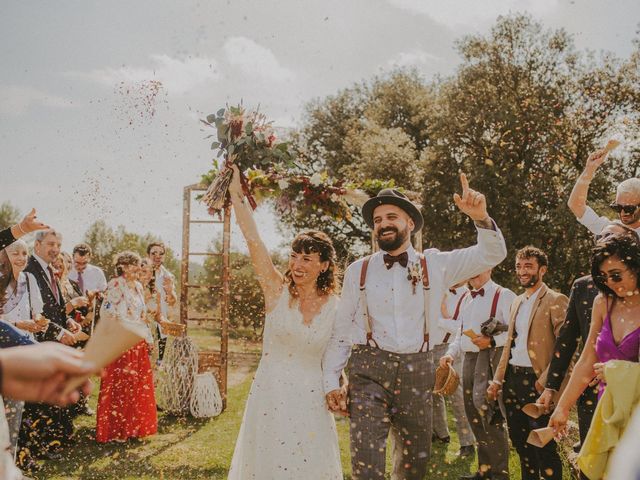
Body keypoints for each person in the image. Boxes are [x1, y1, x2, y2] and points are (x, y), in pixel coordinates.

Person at [323, 173, 508, 480]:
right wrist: (332, 380)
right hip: (369, 370)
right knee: (365, 465)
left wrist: (481, 219)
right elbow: (342, 330)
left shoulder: (436, 265)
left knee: (413, 467)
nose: (383, 223)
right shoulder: (359, 270)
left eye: (392, 216)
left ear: (410, 222)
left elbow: (492, 254)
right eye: (378, 219)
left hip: (419, 372)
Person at [226, 165, 343, 479]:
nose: (297, 264)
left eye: (307, 258)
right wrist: (237, 194)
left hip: (311, 399)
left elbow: (339, 354)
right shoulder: (275, 291)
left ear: (324, 265)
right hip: (271, 395)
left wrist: (340, 385)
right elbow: (254, 240)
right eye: (294, 256)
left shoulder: (336, 307)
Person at [537, 222, 639, 453]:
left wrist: (615, 370)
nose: (610, 283)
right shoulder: (602, 302)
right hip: (606, 408)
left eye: (616, 275)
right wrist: (562, 408)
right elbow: (586, 359)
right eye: (603, 277)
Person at [488, 246, 568, 480]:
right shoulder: (517, 302)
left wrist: (546, 381)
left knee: (543, 446)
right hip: (512, 380)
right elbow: (509, 346)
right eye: (519, 266)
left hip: (538, 383)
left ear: (542, 270)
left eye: (528, 266)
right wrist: (498, 379)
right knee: (522, 444)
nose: (522, 271)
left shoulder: (556, 300)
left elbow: (565, 348)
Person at [440, 270, 515, 480]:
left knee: (490, 416)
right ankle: (484, 471)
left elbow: (515, 332)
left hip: (490, 360)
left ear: (489, 268)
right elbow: (459, 334)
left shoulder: (504, 295)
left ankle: (500, 475)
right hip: (468, 361)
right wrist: (449, 354)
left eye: (479, 268)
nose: (473, 273)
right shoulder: (466, 299)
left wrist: (492, 342)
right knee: (473, 415)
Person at [19, 229, 82, 468]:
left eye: (59, 244)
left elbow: (56, 306)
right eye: (51, 244)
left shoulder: (49, 269)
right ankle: (33, 448)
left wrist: (68, 321)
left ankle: (46, 442)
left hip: (53, 341)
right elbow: (37, 312)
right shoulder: (29, 269)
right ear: (37, 245)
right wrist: (58, 331)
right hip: (38, 342)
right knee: (37, 398)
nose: (56, 249)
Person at [96, 251, 157, 443]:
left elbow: (141, 315)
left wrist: (148, 337)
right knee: (120, 385)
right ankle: (117, 430)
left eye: (138, 265)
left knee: (136, 386)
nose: (137, 269)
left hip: (137, 343)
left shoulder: (138, 287)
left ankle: (133, 427)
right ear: (122, 267)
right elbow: (107, 312)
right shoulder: (115, 285)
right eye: (133, 265)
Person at [0, 242, 46, 462]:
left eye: (24, 253)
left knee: (15, 410)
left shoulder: (30, 279)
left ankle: (12, 462)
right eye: (14, 253)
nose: (20, 257)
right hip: (5, 352)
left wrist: (38, 322)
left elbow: (37, 310)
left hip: (24, 353)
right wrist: (20, 324)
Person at [432, 283, 475, 458]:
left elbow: (462, 329)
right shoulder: (435, 289)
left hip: (452, 349)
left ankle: (467, 443)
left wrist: (439, 318)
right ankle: (441, 434)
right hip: (428, 348)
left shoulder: (468, 297)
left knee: (458, 396)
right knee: (433, 392)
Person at [567, 148, 640, 235]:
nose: (622, 213)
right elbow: (576, 205)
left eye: (629, 209)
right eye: (617, 207)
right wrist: (590, 168)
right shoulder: (610, 230)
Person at [146, 242, 177, 364]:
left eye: (161, 253)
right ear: (147, 255)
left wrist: (170, 292)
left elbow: (172, 301)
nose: (157, 256)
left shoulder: (167, 275)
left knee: (159, 362)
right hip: (144, 323)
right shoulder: (141, 272)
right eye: (154, 253)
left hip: (161, 323)